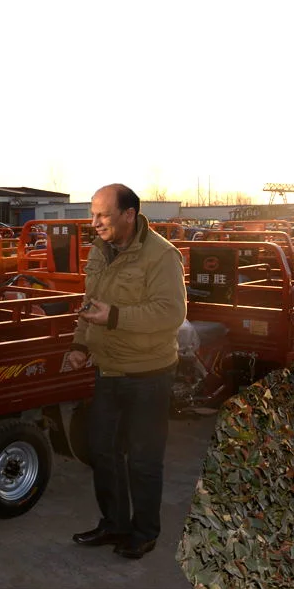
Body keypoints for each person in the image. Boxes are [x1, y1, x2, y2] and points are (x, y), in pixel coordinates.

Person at [66, 183, 187, 560]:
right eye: (93, 214)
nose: (95, 222)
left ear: (129, 215)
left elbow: (171, 313)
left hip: (149, 374)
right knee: (102, 451)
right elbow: (91, 304)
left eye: (103, 214)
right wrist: (80, 344)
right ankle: (114, 523)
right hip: (109, 370)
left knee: (143, 458)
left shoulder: (161, 256)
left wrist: (115, 317)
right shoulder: (99, 252)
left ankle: (145, 531)